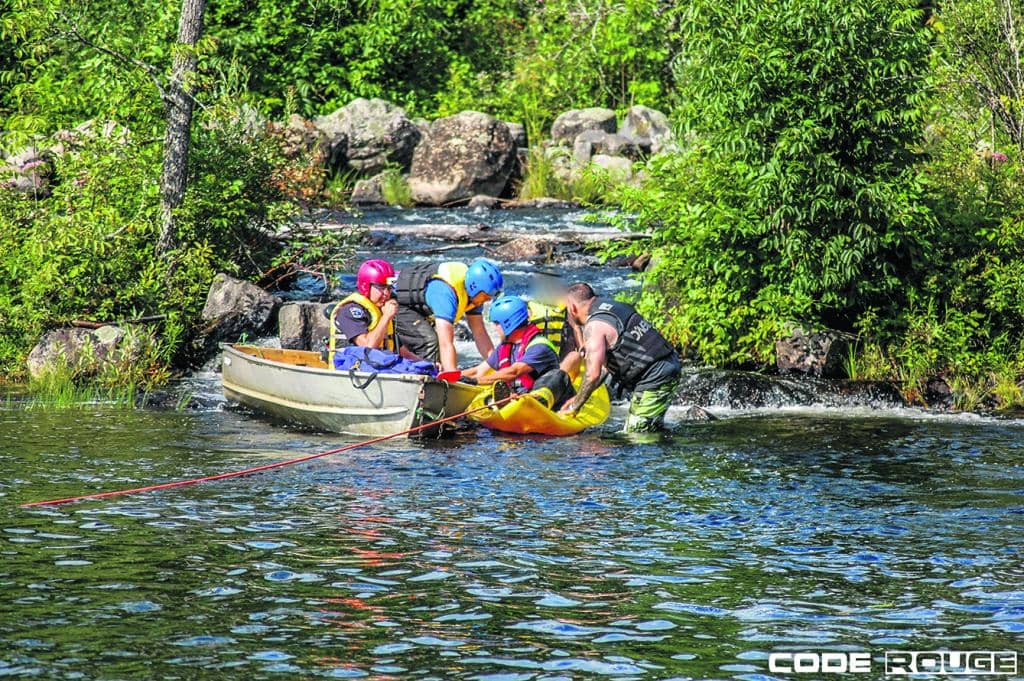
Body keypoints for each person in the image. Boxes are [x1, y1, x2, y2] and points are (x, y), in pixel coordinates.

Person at [559, 283, 680, 432]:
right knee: (652, 429)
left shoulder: (594, 326)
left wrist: (573, 407)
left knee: (637, 434)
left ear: (572, 307)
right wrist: (578, 399)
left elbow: (592, 375)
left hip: (654, 377)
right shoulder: (614, 306)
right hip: (669, 365)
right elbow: (604, 369)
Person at [461, 296, 575, 410]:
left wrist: (476, 381)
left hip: (550, 403)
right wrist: (452, 377)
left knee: (558, 375)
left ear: (508, 323)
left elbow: (514, 371)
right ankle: (510, 402)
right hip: (519, 399)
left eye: (496, 323)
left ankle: (531, 403)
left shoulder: (540, 346)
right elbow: (478, 371)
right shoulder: (505, 346)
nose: (494, 327)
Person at [392, 259, 503, 371]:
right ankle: (429, 380)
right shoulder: (445, 293)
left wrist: (496, 367)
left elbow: (480, 333)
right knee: (430, 342)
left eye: (490, 297)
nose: (487, 300)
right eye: (486, 296)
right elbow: (445, 343)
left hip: (419, 309)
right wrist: (452, 375)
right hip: (398, 304)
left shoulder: (476, 296)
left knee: (437, 350)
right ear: (473, 287)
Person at [325, 259, 399, 365]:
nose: (386, 293)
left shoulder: (382, 309)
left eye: (389, 288)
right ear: (366, 286)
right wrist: (386, 317)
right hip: (352, 370)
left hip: (379, 367)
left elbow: (401, 350)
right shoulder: (350, 311)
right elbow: (368, 346)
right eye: (381, 288)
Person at [526, 271, 582, 376]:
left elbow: (576, 328)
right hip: (537, 358)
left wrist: (583, 349)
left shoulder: (566, 307)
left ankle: (558, 378)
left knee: (575, 355)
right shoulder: (530, 308)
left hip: (560, 359)